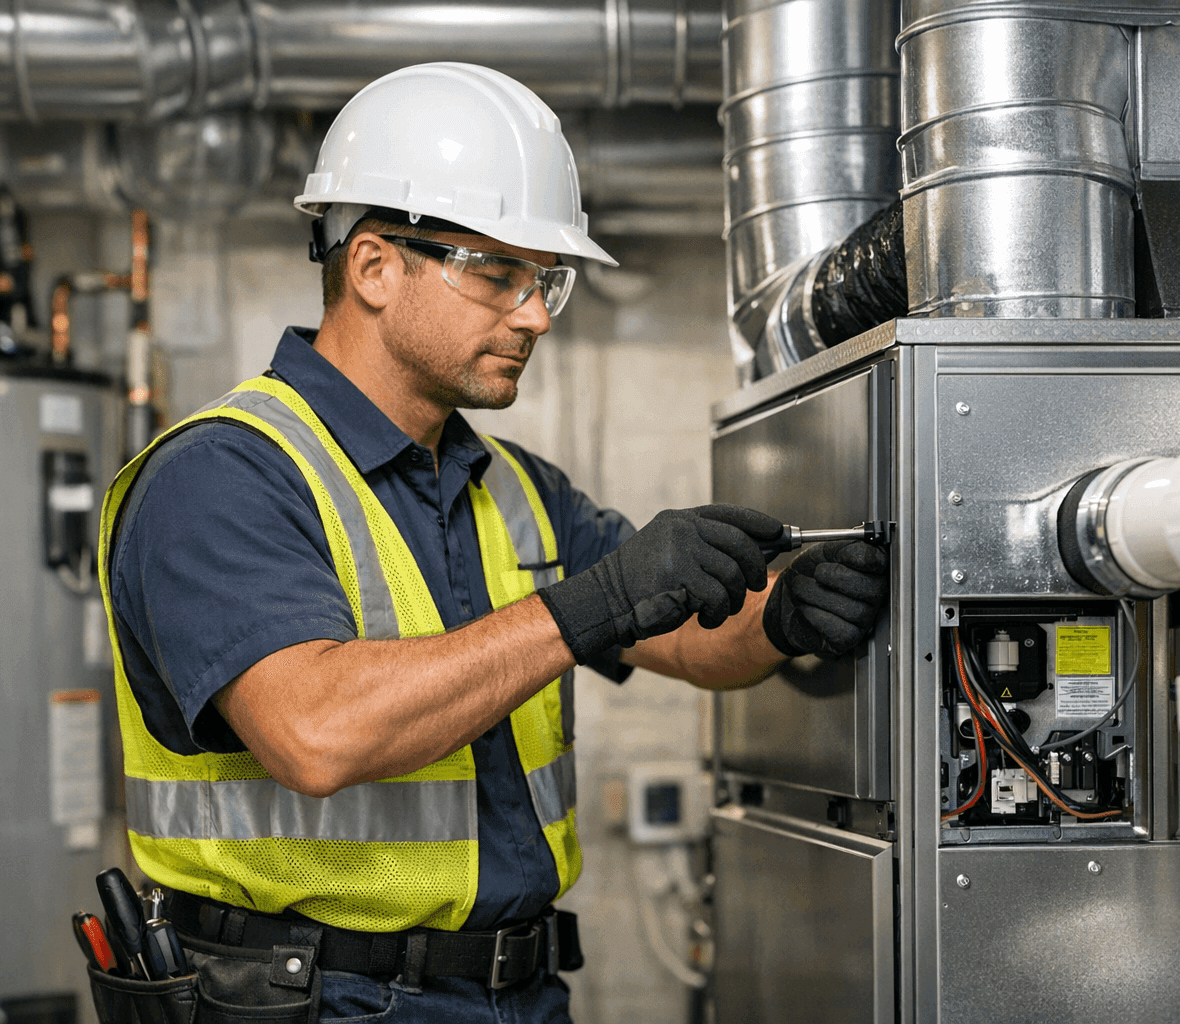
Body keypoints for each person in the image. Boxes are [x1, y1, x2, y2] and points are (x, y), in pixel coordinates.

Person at [95, 62, 888, 1023]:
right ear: (375, 266)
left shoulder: (510, 486)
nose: (535, 314)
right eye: (496, 274)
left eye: (543, 279)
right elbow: (315, 733)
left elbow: (678, 635)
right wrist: (595, 602)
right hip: (315, 1000)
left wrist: (785, 617)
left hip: (517, 992)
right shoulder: (224, 474)